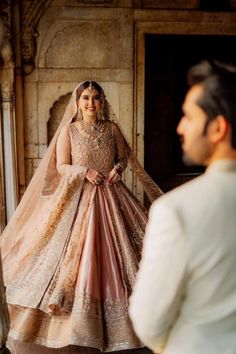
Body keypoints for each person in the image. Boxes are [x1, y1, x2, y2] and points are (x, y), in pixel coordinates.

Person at [0, 81, 162, 354]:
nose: (90, 103)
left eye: (95, 98)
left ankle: (128, 325)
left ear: (102, 101)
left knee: (126, 253)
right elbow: (62, 166)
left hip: (112, 197)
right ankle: (78, 326)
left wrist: (118, 169)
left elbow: (123, 158)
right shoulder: (69, 131)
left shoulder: (111, 130)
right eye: (86, 98)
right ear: (78, 102)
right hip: (78, 199)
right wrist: (84, 171)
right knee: (72, 258)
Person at [129, 60, 236, 354]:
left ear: (218, 128)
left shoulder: (176, 210)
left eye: (189, 116)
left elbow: (148, 321)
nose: (179, 127)